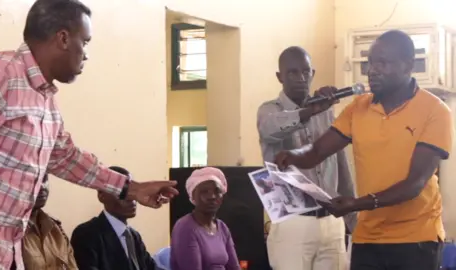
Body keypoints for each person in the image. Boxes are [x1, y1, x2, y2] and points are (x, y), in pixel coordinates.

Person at [0, 1, 178, 269]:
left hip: (5, 253)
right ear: (63, 38)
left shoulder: (44, 101)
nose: (86, 55)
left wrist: (133, 188)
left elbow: (67, 158)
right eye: (85, 42)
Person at [275, 30, 452, 270]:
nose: (373, 70)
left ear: (408, 65)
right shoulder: (358, 107)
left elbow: (415, 184)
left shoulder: (435, 110)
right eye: (370, 63)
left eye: (383, 62)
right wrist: (292, 157)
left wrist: (356, 204)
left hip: (416, 239)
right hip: (367, 238)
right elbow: (316, 152)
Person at [257, 46, 355, 270]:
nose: (300, 78)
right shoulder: (269, 111)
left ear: (313, 73)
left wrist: (352, 218)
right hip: (293, 221)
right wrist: (308, 111)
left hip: (331, 220)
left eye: (305, 71)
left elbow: (341, 164)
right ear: (279, 76)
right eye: (292, 72)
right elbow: (270, 130)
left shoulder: (327, 113)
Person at [71, 166, 156, 270]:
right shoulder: (86, 234)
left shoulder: (134, 236)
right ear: (101, 195)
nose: (132, 199)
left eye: (133, 192)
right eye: (123, 193)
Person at [170, 167, 240, 270]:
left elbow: (234, 267)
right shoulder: (185, 228)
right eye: (204, 191)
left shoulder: (222, 227)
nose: (212, 196)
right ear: (193, 197)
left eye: (217, 191)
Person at [22, 174, 77, 270]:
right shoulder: (9, 231)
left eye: (44, 179)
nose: (42, 186)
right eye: (34, 180)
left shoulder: (56, 229)